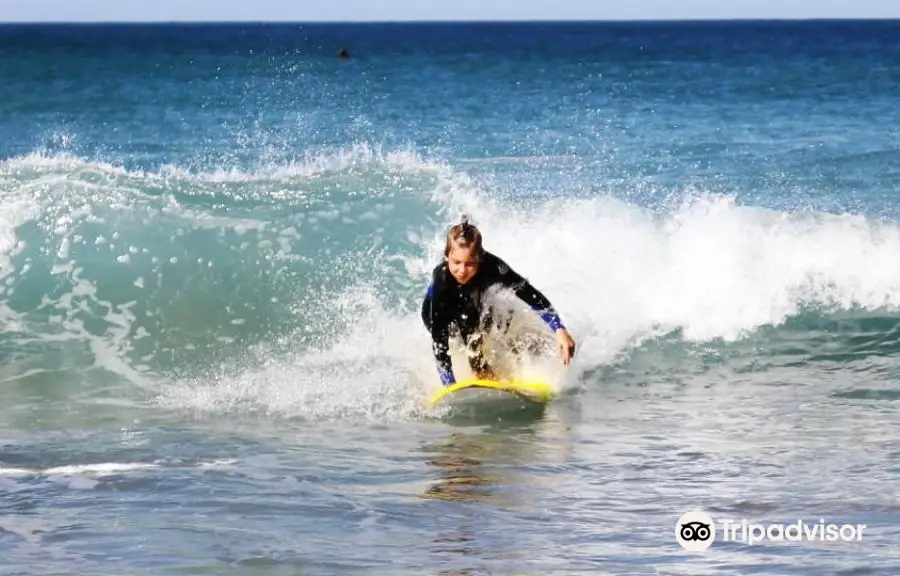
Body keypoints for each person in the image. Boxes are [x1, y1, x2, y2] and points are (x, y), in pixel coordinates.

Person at [421, 215, 576, 386]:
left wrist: (559, 329)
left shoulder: (493, 267)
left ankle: (498, 364)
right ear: (446, 256)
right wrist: (449, 385)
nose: (462, 270)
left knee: (499, 320)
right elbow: (439, 343)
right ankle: (478, 370)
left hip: (473, 302)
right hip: (438, 310)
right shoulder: (442, 280)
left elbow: (529, 294)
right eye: (456, 262)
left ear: (480, 258)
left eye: (470, 264)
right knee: (466, 337)